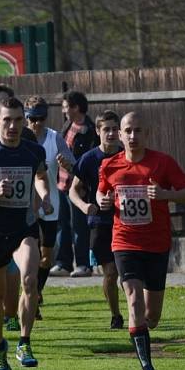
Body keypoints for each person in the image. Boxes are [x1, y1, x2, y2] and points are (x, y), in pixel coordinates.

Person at [97, 111, 185, 370]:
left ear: (147, 133)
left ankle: (146, 329)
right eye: (127, 131)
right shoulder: (110, 165)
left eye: (138, 130)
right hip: (124, 242)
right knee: (133, 301)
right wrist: (102, 201)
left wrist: (166, 194)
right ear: (119, 134)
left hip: (156, 244)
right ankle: (148, 369)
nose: (132, 136)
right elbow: (101, 190)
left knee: (151, 316)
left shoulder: (163, 163)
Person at [0, 97, 52, 370]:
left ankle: (24, 341)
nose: (13, 125)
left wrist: (44, 196)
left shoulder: (33, 151)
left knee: (30, 280)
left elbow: (42, 176)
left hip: (23, 229)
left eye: (18, 120)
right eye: (7, 120)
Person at [70, 110, 124, 329]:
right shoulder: (89, 159)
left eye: (114, 129)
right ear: (98, 131)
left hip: (125, 222)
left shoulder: (126, 155)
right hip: (100, 224)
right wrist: (85, 207)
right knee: (111, 273)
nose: (111, 134)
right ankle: (116, 315)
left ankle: (137, 314)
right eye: (106, 129)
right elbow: (73, 191)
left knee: (127, 274)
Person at [23, 96, 75, 319]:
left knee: (46, 258)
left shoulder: (54, 138)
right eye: (32, 118)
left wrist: (67, 163)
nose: (36, 123)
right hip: (24, 207)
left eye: (40, 118)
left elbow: (73, 164)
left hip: (50, 204)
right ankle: (30, 297)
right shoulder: (19, 139)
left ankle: (36, 291)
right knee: (28, 255)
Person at [51, 90, 99, 277]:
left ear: (76, 107)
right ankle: (63, 263)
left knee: (79, 225)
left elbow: (90, 160)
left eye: (66, 107)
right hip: (61, 184)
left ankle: (83, 264)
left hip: (77, 187)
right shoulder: (66, 126)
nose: (64, 110)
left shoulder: (90, 131)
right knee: (62, 224)